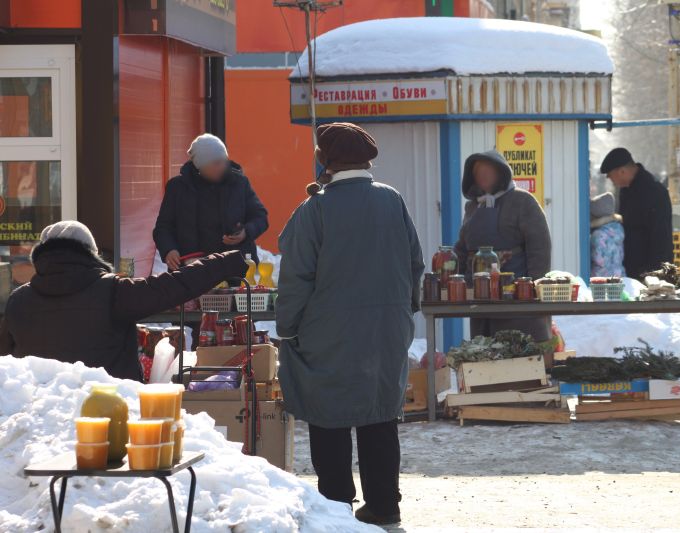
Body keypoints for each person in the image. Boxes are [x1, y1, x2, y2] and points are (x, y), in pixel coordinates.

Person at [276, 123, 424, 526]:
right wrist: (402, 312)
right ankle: (383, 505)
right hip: (386, 332)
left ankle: (337, 504)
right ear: (366, 159)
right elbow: (415, 263)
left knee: (330, 416)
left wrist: (287, 329)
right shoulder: (392, 200)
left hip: (330, 333)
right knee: (379, 416)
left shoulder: (315, 210)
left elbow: (295, 278)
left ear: (324, 161)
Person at [0, 221, 246, 380]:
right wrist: (226, 262)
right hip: (110, 411)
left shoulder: (18, 301)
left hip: (42, 417)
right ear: (90, 254)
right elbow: (174, 286)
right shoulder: (112, 291)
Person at [454, 150, 551, 341]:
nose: (481, 175)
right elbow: (463, 248)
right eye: (477, 172)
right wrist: (454, 278)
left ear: (500, 172)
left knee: (522, 356)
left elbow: (540, 247)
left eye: (487, 170)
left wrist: (532, 288)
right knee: (485, 359)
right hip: (480, 299)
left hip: (517, 302)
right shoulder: (473, 207)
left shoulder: (523, 201)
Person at [153, 133, 268, 270]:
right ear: (200, 166)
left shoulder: (239, 183)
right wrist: (169, 250)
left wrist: (246, 232)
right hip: (191, 269)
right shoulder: (177, 188)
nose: (222, 167)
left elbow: (260, 217)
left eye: (224, 161)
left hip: (236, 268)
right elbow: (163, 228)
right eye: (216, 163)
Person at [601, 147, 673, 280]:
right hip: (631, 268)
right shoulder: (626, 189)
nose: (612, 182)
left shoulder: (654, 191)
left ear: (622, 171)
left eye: (611, 177)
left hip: (651, 272)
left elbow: (661, 237)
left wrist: (655, 275)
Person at [590, 192, 625, 277]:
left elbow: (599, 259)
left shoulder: (598, 235)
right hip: (618, 274)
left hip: (602, 277)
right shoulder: (618, 229)